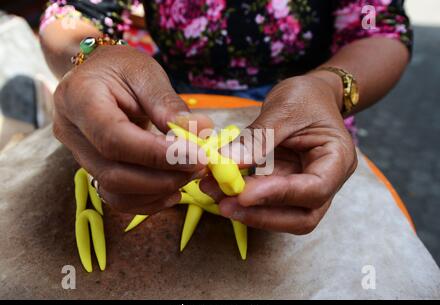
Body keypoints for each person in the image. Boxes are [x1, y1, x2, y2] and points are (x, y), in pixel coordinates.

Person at [38, 0, 412, 234]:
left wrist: (330, 89)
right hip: (170, 122)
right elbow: (73, 14)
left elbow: (379, 28)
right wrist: (92, 55)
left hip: (305, 131)